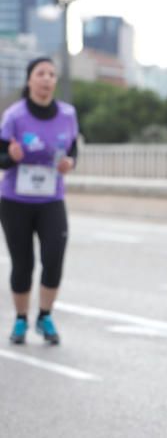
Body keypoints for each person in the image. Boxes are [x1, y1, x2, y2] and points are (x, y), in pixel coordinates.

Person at [0, 57, 79, 346]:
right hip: (15, 201)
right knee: (23, 264)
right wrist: (11, 158)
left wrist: (69, 164)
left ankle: (45, 316)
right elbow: (2, 158)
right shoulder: (15, 116)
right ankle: (21, 319)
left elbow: (72, 152)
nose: (47, 79)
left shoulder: (67, 115)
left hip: (51, 199)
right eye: (40, 73)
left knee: (54, 258)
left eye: (51, 74)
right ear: (29, 79)